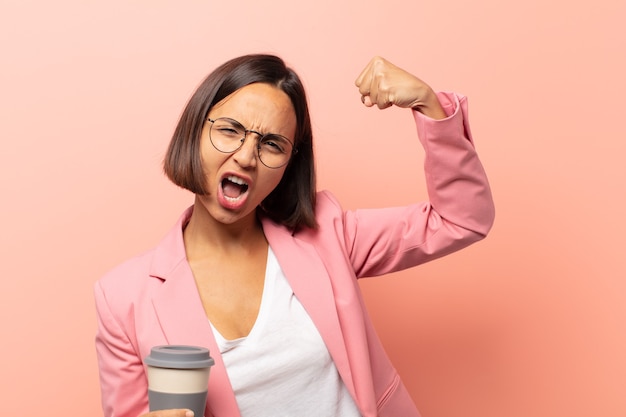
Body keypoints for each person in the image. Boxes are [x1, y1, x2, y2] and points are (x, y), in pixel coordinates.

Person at [94, 53, 495, 417]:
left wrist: (429, 105)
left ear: (289, 164)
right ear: (195, 131)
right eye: (230, 130)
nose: (247, 157)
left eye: (271, 143)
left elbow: (461, 218)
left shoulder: (327, 235)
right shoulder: (124, 298)